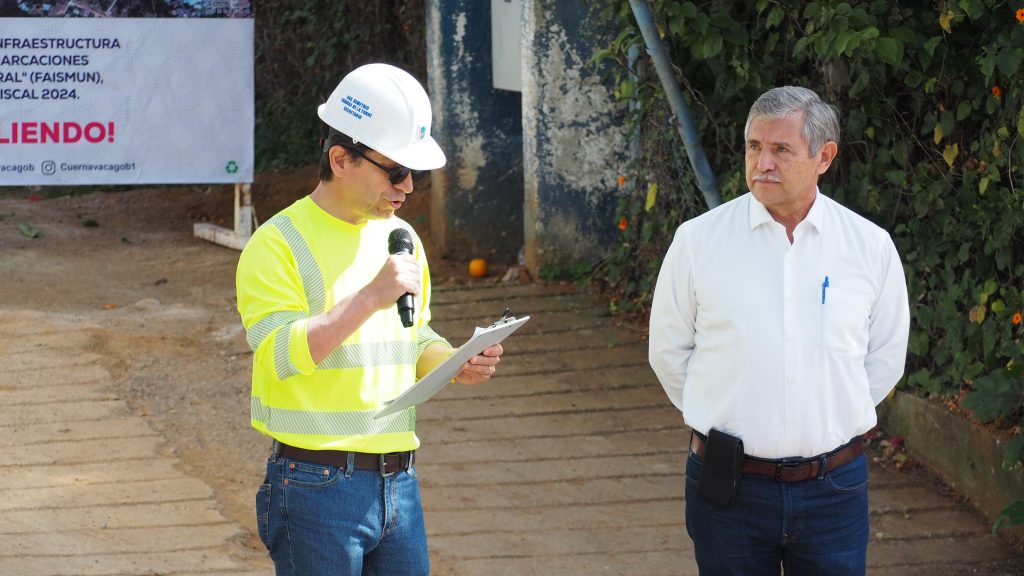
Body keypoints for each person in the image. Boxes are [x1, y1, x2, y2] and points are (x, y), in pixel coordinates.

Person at [235, 63, 503, 576]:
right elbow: (278, 357)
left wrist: (456, 362)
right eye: (396, 170)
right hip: (314, 487)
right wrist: (368, 297)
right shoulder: (277, 244)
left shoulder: (402, 237)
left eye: (415, 174)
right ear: (341, 158)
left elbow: (413, 334)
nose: (408, 186)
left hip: (399, 483)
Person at [648, 86, 910, 575]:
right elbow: (668, 351)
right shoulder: (698, 242)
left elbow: (885, 356)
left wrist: (824, 419)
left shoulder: (870, 247)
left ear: (824, 157)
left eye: (781, 149)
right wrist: (724, 410)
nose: (762, 163)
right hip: (728, 487)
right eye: (754, 147)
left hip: (834, 488)